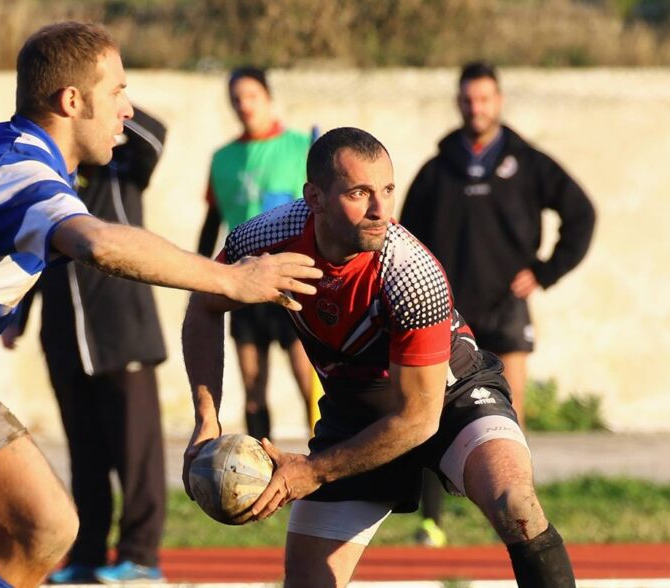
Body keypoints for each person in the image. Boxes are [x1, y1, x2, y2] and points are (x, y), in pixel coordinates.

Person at [0, 21, 320, 588]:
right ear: (71, 100)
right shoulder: (25, 176)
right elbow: (99, 243)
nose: (128, 110)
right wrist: (231, 280)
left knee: (47, 527)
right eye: (118, 92)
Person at [182, 127, 576, 588]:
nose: (380, 210)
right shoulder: (268, 238)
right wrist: (206, 419)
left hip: (450, 395)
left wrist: (312, 472)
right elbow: (205, 303)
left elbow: (418, 420)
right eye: (359, 192)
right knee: (308, 582)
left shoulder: (411, 273)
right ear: (315, 197)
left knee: (517, 506)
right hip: (357, 409)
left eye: (387, 190)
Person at [400, 61, 596, 546]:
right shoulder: (436, 170)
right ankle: (432, 520)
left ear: (499, 101)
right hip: (445, 312)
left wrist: (546, 272)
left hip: (506, 307)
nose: (476, 107)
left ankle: (519, 521)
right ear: (459, 103)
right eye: (468, 99)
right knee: (429, 411)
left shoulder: (527, 162)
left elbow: (581, 214)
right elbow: (401, 238)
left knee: (512, 411)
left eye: (484, 99)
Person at [2, 106, 169, 583]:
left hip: (123, 332)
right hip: (64, 338)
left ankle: (140, 556)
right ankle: (88, 554)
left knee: (137, 453)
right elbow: (30, 247)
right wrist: (20, 316)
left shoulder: (124, 168)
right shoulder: (46, 179)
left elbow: (154, 135)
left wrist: (101, 102)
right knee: (85, 454)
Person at [198, 66, 315, 440]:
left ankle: (326, 469)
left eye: (251, 96)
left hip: (292, 278)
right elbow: (212, 220)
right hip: (242, 280)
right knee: (252, 386)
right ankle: (260, 472)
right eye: (236, 99)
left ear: (267, 97)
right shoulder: (222, 158)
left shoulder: (301, 146)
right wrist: (200, 275)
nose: (244, 105)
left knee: (307, 378)